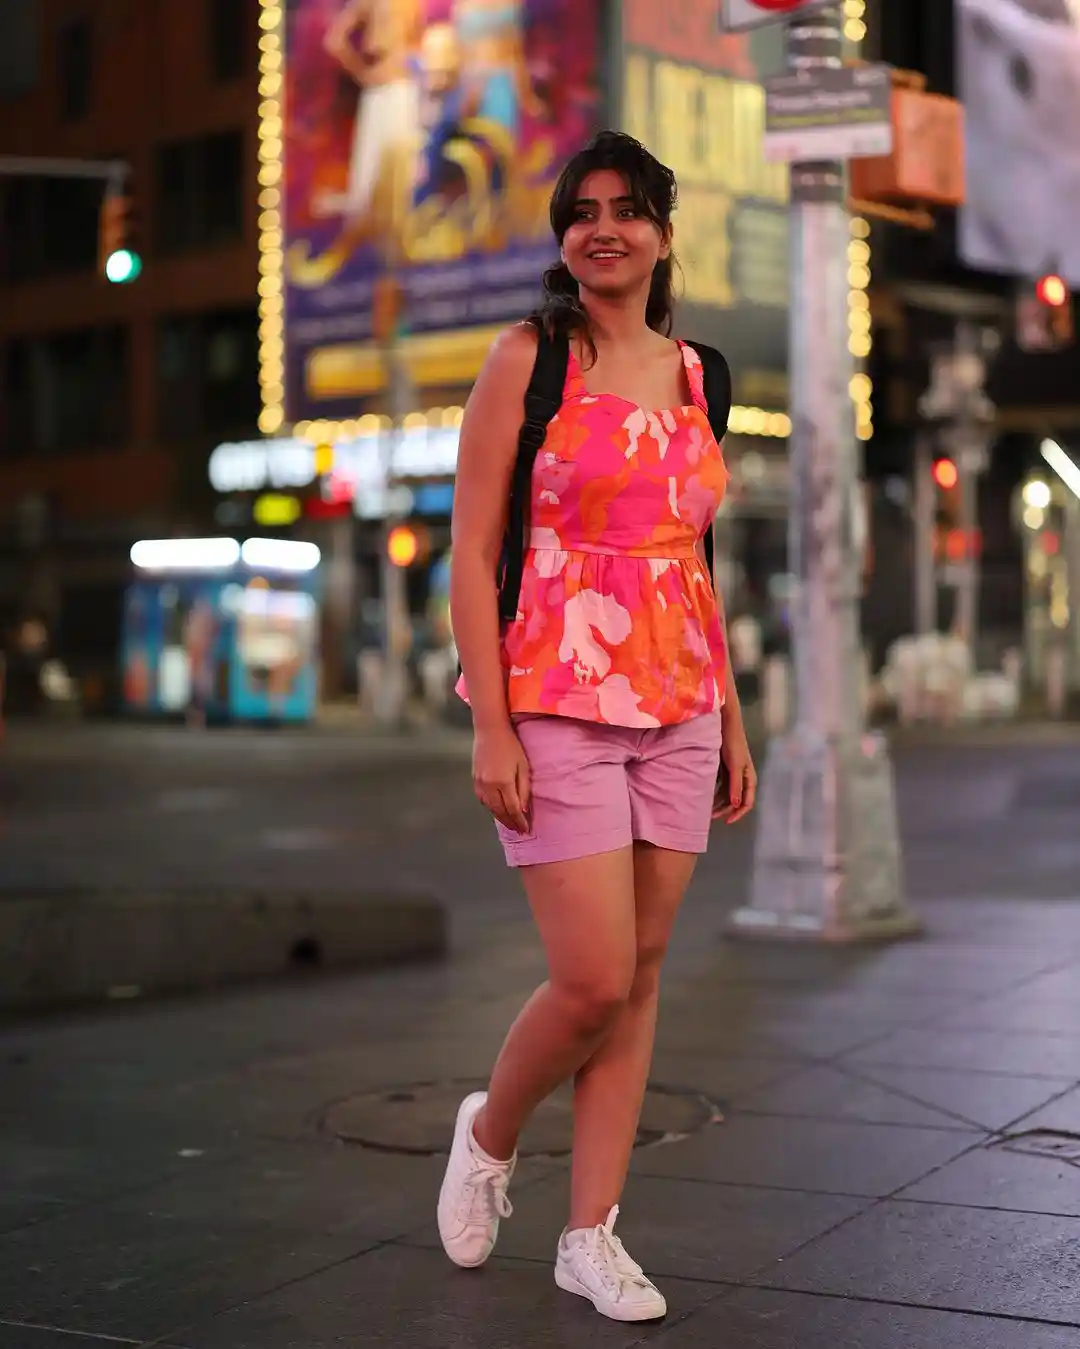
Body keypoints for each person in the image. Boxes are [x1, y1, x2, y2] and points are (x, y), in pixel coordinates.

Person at [439, 130, 757, 1322]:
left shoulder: (700, 373)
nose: (603, 228)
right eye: (582, 211)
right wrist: (493, 725)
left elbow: (697, 556)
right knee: (591, 975)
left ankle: (591, 1230)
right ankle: (490, 1131)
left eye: (627, 209)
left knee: (644, 975)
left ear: (664, 234)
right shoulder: (529, 357)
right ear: (564, 237)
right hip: (556, 693)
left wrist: (731, 716)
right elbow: (473, 553)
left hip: (679, 698)